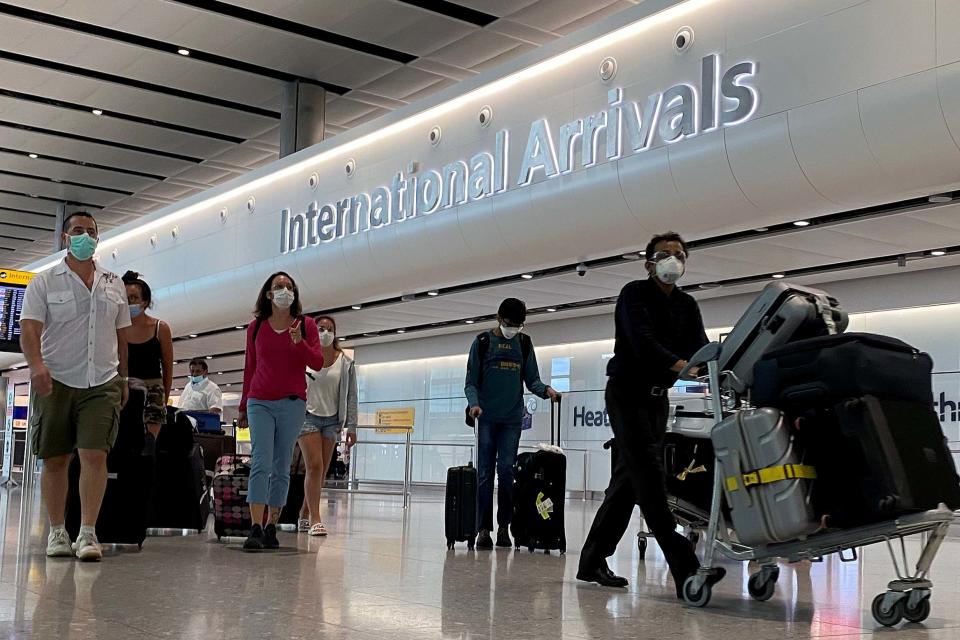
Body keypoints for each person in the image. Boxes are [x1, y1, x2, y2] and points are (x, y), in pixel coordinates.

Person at [577, 231, 725, 597]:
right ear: (649, 263)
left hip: (658, 400)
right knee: (651, 480)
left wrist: (717, 365)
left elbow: (699, 345)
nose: (673, 260)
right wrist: (679, 364)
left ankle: (592, 560)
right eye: (665, 254)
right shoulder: (633, 294)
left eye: (679, 254)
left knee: (629, 482)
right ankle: (685, 566)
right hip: (627, 395)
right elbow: (641, 341)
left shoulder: (687, 305)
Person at [20, 211, 131, 562]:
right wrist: (36, 366)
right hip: (56, 379)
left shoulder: (114, 282)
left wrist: (123, 378)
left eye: (91, 232)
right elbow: (30, 330)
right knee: (55, 458)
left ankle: (87, 533)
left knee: (94, 455)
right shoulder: (45, 281)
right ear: (66, 238)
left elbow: (121, 335)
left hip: (102, 380)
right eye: (78, 231)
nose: (85, 236)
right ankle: (57, 532)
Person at [464, 298, 560, 550]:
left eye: (518, 325)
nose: (513, 329)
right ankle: (483, 529)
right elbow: (470, 382)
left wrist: (546, 390)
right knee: (485, 474)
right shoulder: (483, 343)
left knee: (506, 472)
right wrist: (474, 404)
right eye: (509, 324)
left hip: (511, 419)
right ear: (498, 317)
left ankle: (505, 527)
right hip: (486, 418)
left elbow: (532, 380)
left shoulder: (524, 343)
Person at [238, 272, 324, 551]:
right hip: (259, 400)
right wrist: (242, 406)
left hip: (292, 403)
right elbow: (250, 367)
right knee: (260, 461)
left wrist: (299, 342)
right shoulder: (256, 327)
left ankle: (272, 523)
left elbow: (317, 362)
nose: (284, 290)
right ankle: (255, 526)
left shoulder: (306, 325)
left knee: (281, 465)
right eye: (279, 286)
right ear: (268, 294)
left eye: (289, 287)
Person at [297, 316, 358, 536]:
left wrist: (352, 426)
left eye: (329, 329)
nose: (325, 332)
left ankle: (304, 511)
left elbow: (351, 396)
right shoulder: (304, 356)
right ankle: (315, 518)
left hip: (332, 420)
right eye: (321, 329)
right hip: (307, 417)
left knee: (321, 471)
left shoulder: (345, 362)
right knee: (313, 465)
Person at [122, 271, 173, 441]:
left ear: (145, 302)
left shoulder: (160, 328)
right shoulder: (116, 328)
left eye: (133, 298)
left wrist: (163, 401)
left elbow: (167, 367)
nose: (129, 303)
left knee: (148, 446)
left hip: (152, 393)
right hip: (123, 390)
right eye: (125, 298)